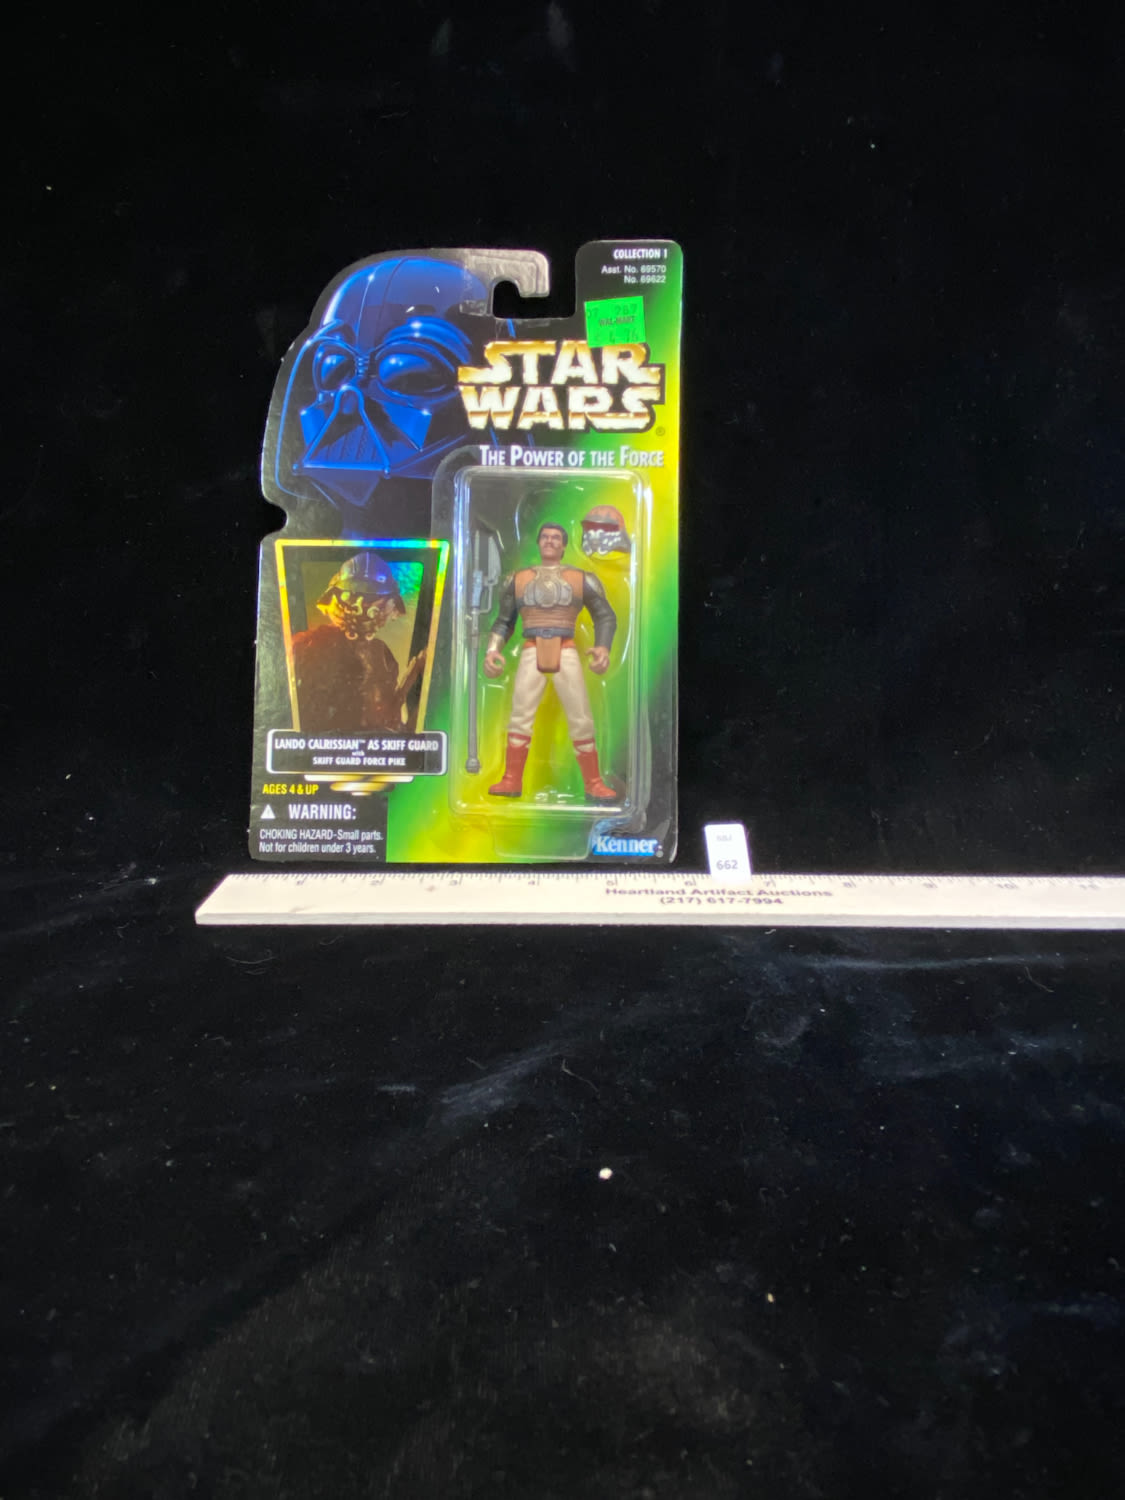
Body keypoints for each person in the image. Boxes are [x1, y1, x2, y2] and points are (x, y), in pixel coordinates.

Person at [483, 523, 617, 801]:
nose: (550, 541)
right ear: (538, 542)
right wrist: (493, 650)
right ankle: (511, 779)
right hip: (531, 649)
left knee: (581, 717)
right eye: (545, 537)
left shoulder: (581, 579)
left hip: (566, 649)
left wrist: (603, 647)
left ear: (564, 545)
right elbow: (504, 620)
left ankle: (593, 782)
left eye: (556, 538)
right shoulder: (518, 579)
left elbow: (605, 615)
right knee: (520, 716)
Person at [292, 551, 425, 732]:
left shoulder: (383, 654)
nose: (362, 605)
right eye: (354, 595)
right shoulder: (306, 646)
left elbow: (388, 718)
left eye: (371, 598)